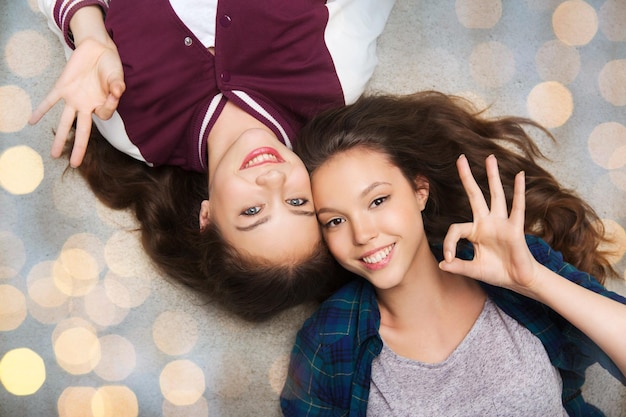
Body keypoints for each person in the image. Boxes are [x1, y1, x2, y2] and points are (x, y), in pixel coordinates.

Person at [30, 0, 395, 320]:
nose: (272, 180)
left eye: (252, 211)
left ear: (206, 217)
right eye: (297, 201)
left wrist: (89, 32)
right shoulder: (334, 79)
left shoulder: (133, 129)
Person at [280, 91, 626, 416]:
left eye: (378, 201)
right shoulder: (329, 341)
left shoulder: (516, 263)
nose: (363, 234)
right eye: (336, 220)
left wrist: (535, 281)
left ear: (419, 190)